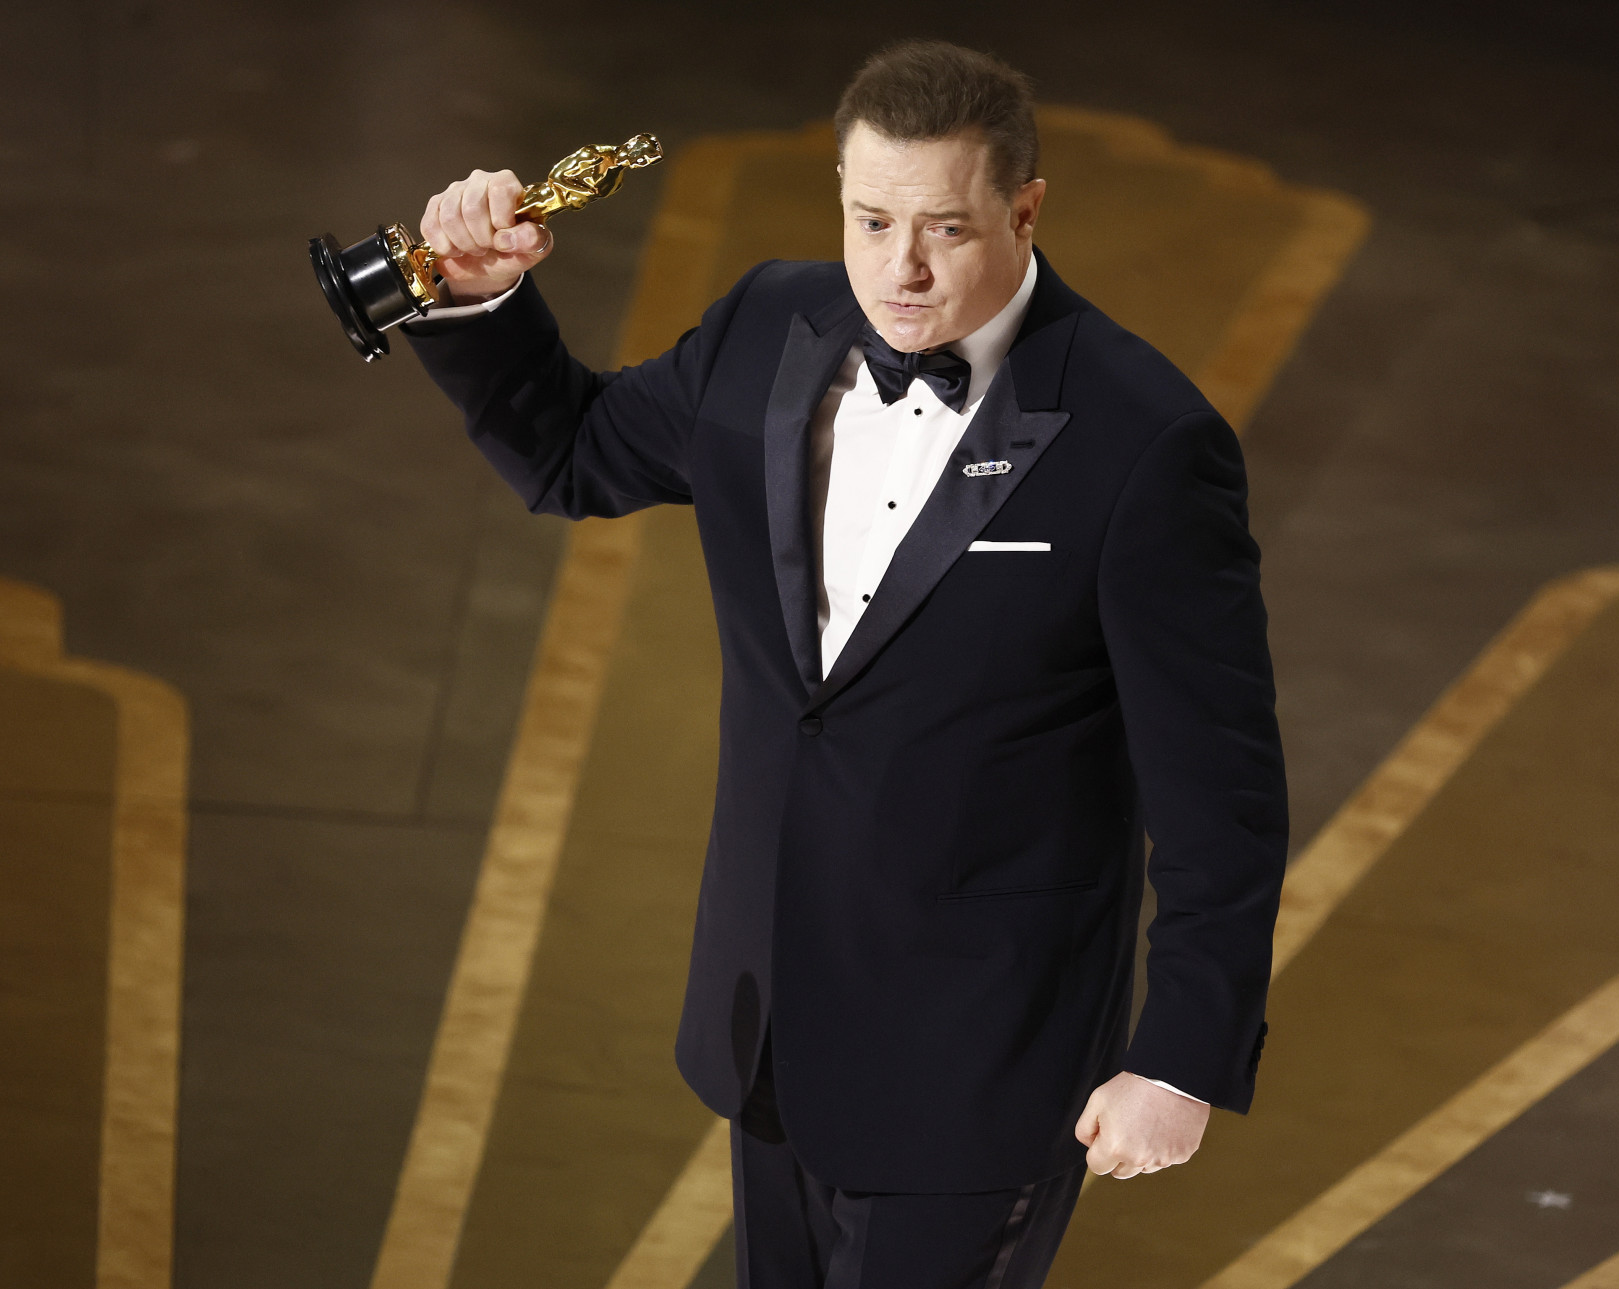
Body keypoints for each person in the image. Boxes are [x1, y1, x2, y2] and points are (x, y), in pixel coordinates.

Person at [403, 39, 1287, 1289]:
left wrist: (1181, 1056)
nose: (900, 269)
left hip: (983, 1059)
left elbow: (1221, 789)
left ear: (1026, 209)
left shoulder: (1145, 442)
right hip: (769, 1018)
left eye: (944, 228)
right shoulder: (770, 325)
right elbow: (575, 453)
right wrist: (481, 300)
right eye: (871, 220)